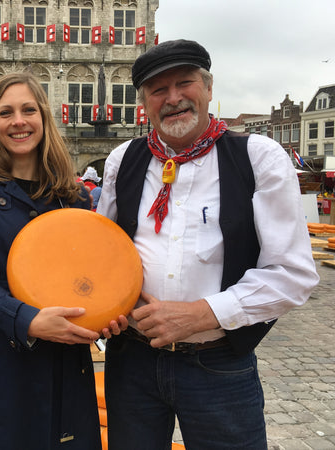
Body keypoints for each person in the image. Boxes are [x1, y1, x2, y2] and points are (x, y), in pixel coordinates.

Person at [97, 39, 319, 449]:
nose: (173, 97)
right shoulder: (121, 160)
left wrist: (202, 314)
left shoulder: (259, 157)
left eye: (185, 83)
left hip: (217, 363)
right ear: (144, 102)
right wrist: (104, 308)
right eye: (158, 90)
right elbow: (101, 254)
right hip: (132, 361)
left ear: (209, 87)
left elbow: (294, 274)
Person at [0, 72, 103, 449]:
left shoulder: (75, 195)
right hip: (0, 361)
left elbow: (90, 274)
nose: (18, 121)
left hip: (66, 362)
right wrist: (27, 320)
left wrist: (106, 310)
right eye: (6, 112)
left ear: (44, 118)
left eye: (28, 109)